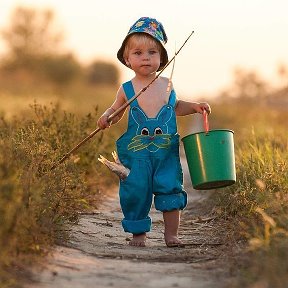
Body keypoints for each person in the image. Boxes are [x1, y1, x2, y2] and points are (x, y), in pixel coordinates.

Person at [97, 17, 211, 247]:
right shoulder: (127, 88)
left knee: (171, 190)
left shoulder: (167, 84)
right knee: (136, 192)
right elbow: (117, 111)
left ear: (161, 58)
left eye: (152, 52)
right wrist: (107, 116)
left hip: (165, 152)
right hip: (137, 155)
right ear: (127, 59)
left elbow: (175, 107)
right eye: (138, 53)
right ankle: (139, 234)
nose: (146, 57)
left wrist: (195, 107)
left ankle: (171, 235)